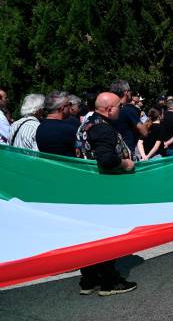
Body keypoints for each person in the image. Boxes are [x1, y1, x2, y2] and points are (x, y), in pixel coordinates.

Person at [75, 92, 137, 296]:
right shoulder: (102, 129)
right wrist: (125, 163)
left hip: (88, 189)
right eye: (119, 105)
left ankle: (89, 279)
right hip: (104, 191)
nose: (122, 108)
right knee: (107, 236)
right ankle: (110, 282)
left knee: (90, 237)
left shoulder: (87, 123)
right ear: (109, 109)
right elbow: (107, 159)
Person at [110, 80, 149, 159]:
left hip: (111, 152)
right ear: (126, 92)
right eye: (130, 91)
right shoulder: (129, 110)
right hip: (127, 152)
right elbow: (144, 132)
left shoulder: (107, 108)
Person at [36, 91, 77, 157]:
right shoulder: (67, 129)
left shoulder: (40, 127)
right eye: (69, 104)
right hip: (67, 166)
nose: (71, 107)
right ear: (62, 108)